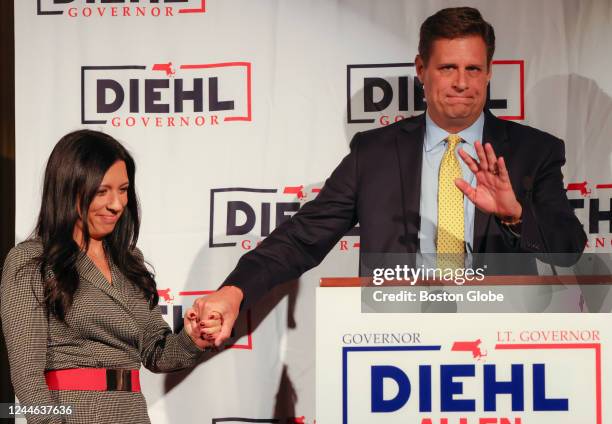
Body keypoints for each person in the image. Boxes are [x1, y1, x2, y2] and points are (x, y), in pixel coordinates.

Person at [194, 7, 587, 345]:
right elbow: (303, 237)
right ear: (421, 69)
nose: (462, 83)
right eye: (448, 67)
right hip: (397, 343)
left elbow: (568, 247)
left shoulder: (533, 151)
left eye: (473, 69)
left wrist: (515, 214)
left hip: (502, 341)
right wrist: (235, 290)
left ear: (488, 73)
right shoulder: (376, 152)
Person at [0, 130, 220, 423]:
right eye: (102, 191)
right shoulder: (31, 260)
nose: (117, 204)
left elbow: (157, 353)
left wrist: (193, 338)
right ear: (69, 188)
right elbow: (26, 373)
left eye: (123, 189)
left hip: (132, 414)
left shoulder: (130, 262)